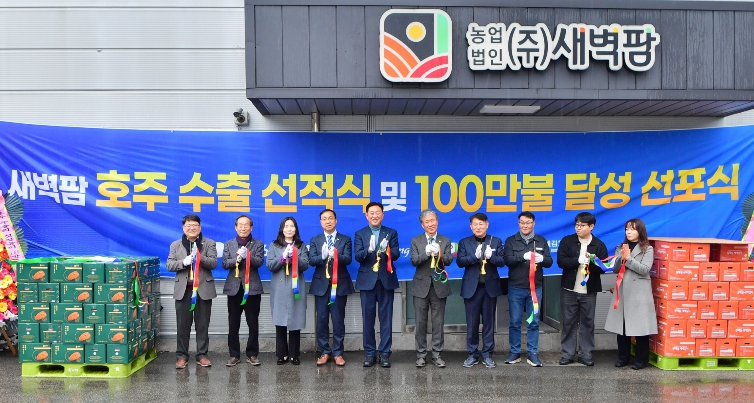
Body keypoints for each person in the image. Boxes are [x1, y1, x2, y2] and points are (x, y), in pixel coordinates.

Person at [604, 218, 657, 370]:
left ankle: (641, 359)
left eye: (632, 229)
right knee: (622, 327)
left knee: (641, 328)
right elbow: (615, 269)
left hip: (639, 293)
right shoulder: (620, 247)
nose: (629, 231)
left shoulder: (647, 249)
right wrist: (621, 257)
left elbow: (644, 269)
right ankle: (623, 358)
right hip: (623, 291)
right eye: (627, 229)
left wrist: (629, 259)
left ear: (640, 231)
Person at [557, 212, 608, 366]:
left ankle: (586, 354)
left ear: (591, 226)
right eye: (577, 225)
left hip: (589, 291)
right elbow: (561, 262)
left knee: (588, 322)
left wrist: (591, 262)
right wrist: (577, 260)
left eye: (582, 225)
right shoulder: (567, 241)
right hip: (569, 290)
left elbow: (603, 268)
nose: (578, 228)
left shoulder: (598, 244)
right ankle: (567, 353)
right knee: (568, 322)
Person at [167, 214, 217, 369]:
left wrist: (199, 258)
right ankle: (182, 356)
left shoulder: (209, 243)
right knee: (182, 325)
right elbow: (169, 265)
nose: (192, 228)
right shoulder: (176, 245)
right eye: (189, 226)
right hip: (184, 291)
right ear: (184, 228)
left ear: (200, 227)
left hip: (203, 290)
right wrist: (184, 262)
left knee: (202, 325)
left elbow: (213, 263)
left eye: (195, 225)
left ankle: (202, 355)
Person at [503, 211, 553, 367]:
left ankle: (533, 353)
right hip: (516, 287)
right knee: (515, 321)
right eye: (522, 222)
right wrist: (522, 257)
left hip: (535, 288)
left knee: (534, 322)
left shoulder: (541, 240)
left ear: (534, 223)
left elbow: (550, 262)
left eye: (528, 222)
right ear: (518, 223)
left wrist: (542, 259)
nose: (525, 225)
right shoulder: (511, 241)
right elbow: (507, 260)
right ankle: (514, 352)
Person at [354, 201, 400, 368]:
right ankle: (370, 353)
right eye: (371, 213)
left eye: (378, 213)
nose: (375, 216)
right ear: (366, 215)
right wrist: (369, 251)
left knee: (386, 319)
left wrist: (386, 250)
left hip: (386, 280)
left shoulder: (391, 233)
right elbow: (358, 256)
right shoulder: (360, 234)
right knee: (368, 320)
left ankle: (385, 354)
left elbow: (396, 254)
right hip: (367, 282)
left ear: (383, 215)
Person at [457, 212, 505, 368]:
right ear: (471, 226)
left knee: (489, 323)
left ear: (487, 225)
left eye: (481, 224)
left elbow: (502, 261)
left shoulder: (496, 241)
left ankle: (487, 354)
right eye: (475, 224)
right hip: (472, 289)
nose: (478, 227)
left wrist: (492, 257)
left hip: (489, 288)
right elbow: (460, 262)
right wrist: (474, 257)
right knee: (472, 323)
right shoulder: (464, 242)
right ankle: (472, 354)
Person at [308, 209, 354, 367]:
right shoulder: (315, 240)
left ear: (336, 220)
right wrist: (322, 256)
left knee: (338, 320)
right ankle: (325, 351)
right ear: (320, 222)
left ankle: (338, 353)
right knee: (321, 320)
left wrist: (335, 255)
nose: (328, 221)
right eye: (324, 219)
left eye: (330, 218)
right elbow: (311, 260)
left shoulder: (345, 239)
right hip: (321, 285)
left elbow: (348, 259)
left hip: (339, 285)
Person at [409, 209, 453, 368]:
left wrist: (439, 253)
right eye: (427, 222)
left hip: (439, 285)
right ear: (422, 225)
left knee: (438, 322)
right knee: (420, 322)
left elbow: (449, 260)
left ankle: (437, 355)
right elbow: (414, 260)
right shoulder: (416, 241)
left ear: (437, 222)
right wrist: (426, 253)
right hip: (421, 287)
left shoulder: (445, 240)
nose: (430, 224)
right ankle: (421, 355)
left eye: (432, 220)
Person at [221, 215, 264, 367]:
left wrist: (248, 256)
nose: (243, 228)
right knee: (233, 323)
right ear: (235, 227)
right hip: (234, 289)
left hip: (252, 289)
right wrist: (238, 259)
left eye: (246, 225)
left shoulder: (258, 244)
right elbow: (225, 264)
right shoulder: (229, 244)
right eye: (240, 225)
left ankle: (252, 354)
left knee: (253, 323)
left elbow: (259, 262)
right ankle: (234, 354)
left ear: (251, 227)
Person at [266, 217, 310, 365]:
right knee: (280, 320)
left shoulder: (301, 245)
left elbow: (305, 265)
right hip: (279, 287)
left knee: (295, 320)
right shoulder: (274, 245)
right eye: (286, 226)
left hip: (295, 286)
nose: (289, 229)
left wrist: (295, 256)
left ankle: (294, 354)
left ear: (296, 229)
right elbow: (270, 265)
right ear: (282, 229)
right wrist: (283, 257)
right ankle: (282, 354)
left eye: (292, 226)